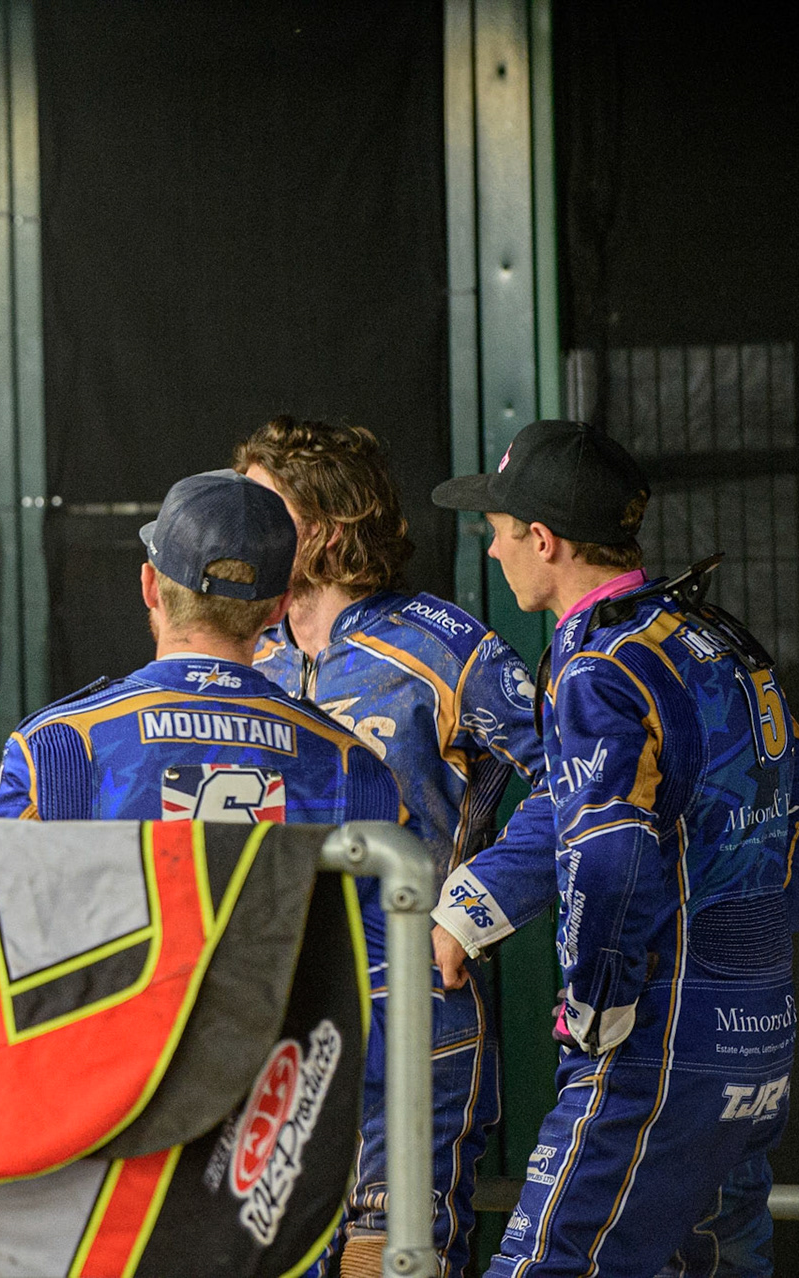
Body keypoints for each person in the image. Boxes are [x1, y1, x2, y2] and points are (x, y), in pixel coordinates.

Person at [430, 419, 799, 1277]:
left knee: (548, 1264)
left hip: (656, 1048)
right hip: (757, 1038)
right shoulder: (711, 636)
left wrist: (597, 1004)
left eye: (500, 532)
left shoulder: (596, 666)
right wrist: (756, 939)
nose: (496, 551)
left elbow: (610, 848)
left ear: (542, 540)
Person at [237, 418, 543, 1278]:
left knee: (389, 1258)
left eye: (263, 509)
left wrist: (474, 906)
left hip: (408, 1008)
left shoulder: (440, 644)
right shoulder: (234, 650)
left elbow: (585, 782)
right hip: (271, 1015)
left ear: (325, 527)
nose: (239, 529)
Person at [0, 466, 399, 830]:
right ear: (279, 607)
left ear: (150, 587)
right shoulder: (351, 766)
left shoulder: (55, 747)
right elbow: (378, 914)